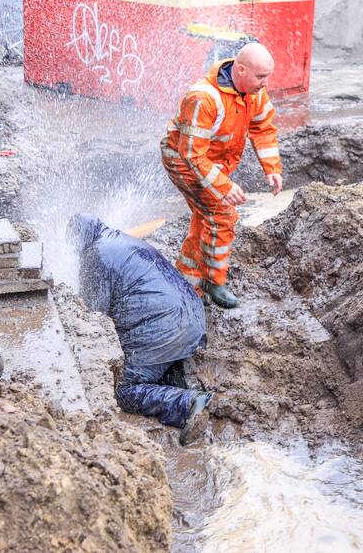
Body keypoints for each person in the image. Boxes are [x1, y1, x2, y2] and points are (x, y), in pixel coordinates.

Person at [67, 213, 213, 446]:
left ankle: (187, 404)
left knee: (124, 389)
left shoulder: (95, 255)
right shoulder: (123, 239)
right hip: (194, 319)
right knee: (144, 352)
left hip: (165, 329)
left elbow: (93, 317)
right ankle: (172, 375)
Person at [160, 43, 282, 309]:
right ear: (240, 70)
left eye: (267, 76)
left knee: (206, 215)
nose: (266, 83)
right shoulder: (203, 98)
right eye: (261, 77)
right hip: (183, 160)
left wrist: (272, 168)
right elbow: (192, 155)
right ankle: (214, 282)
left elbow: (263, 128)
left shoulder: (253, 93)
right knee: (222, 214)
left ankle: (188, 278)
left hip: (211, 161)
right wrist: (223, 186)